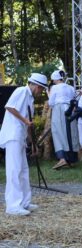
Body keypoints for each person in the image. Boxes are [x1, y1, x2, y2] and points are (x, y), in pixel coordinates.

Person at [0, 73, 48, 216]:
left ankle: (24, 202)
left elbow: (28, 125)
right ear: (36, 86)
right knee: (14, 170)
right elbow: (9, 107)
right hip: (13, 135)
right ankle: (13, 206)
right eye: (41, 89)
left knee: (23, 170)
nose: (41, 92)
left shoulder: (30, 99)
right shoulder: (21, 91)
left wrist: (32, 144)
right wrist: (25, 121)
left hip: (20, 137)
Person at [48, 70, 79, 169]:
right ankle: (72, 159)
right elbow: (75, 99)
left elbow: (51, 102)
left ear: (55, 79)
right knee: (71, 132)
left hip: (59, 109)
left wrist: (49, 95)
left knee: (58, 131)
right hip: (70, 109)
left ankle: (62, 158)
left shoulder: (54, 88)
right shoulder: (71, 87)